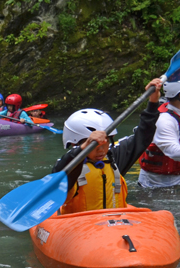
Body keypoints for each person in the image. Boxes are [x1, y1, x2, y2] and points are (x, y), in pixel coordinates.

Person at [54, 79, 164, 214]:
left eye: (105, 142)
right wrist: (84, 148)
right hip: (81, 228)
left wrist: (153, 102)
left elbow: (143, 135)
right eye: (94, 145)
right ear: (77, 142)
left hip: (115, 225)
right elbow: (57, 177)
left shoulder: (113, 158)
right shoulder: (68, 166)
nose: (101, 150)